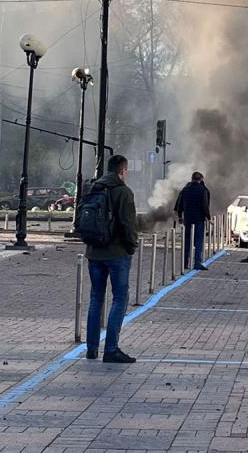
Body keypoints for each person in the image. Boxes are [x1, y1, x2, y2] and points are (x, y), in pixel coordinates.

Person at [84, 155, 138, 363]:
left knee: (96, 298)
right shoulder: (123, 192)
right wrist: (131, 247)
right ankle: (111, 349)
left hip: (94, 251)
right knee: (119, 298)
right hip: (116, 253)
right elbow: (128, 224)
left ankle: (91, 348)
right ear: (122, 171)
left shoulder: (93, 188)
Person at [174, 171, 211, 270]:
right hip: (199, 219)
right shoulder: (202, 190)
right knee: (198, 241)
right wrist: (208, 218)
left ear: (191, 179)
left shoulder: (185, 190)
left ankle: (185, 263)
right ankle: (197, 262)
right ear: (201, 179)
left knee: (187, 241)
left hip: (188, 219)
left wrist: (180, 217)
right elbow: (205, 205)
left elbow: (179, 204)